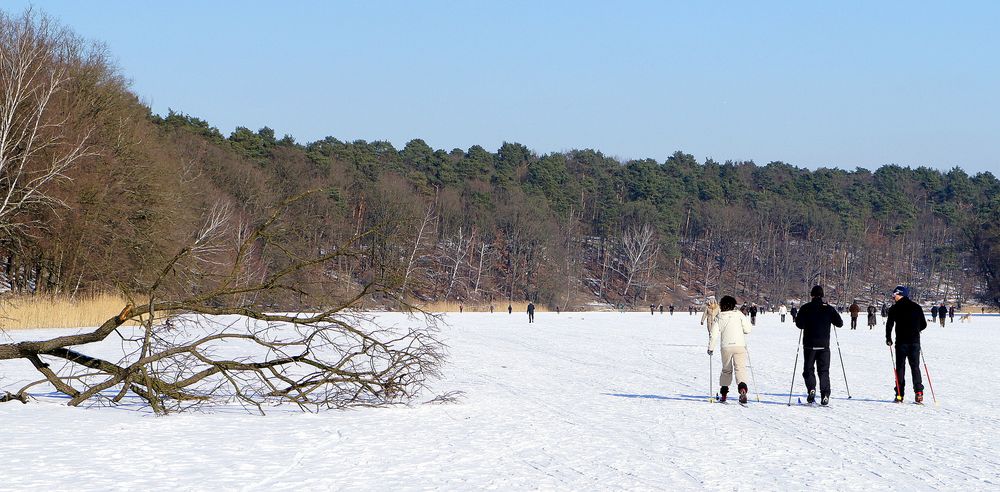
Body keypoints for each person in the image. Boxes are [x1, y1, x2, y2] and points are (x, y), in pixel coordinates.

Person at [795, 286, 843, 406]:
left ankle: (811, 389)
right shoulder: (828, 308)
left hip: (809, 345)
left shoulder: (805, 307)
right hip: (824, 346)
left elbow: (799, 324)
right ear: (822, 295)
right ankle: (825, 394)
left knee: (808, 369)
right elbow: (840, 323)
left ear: (812, 295)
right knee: (824, 371)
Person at [707, 295, 753, 404]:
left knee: (726, 370)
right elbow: (748, 329)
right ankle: (742, 389)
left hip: (726, 347)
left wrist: (710, 348)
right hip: (740, 345)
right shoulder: (739, 314)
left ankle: (723, 394)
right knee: (740, 368)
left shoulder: (719, 316)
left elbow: (714, 334)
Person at [886, 285, 927, 403]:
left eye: (895, 295)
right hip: (914, 342)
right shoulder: (917, 307)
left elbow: (889, 325)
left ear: (901, 295)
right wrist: (915, 329)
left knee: (900, 368)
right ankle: (919, 392)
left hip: (901, 343)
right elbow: (924, 324)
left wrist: (888, 338)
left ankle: (899, 394)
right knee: (915, 367)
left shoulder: (894, 308)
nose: (894, 297)